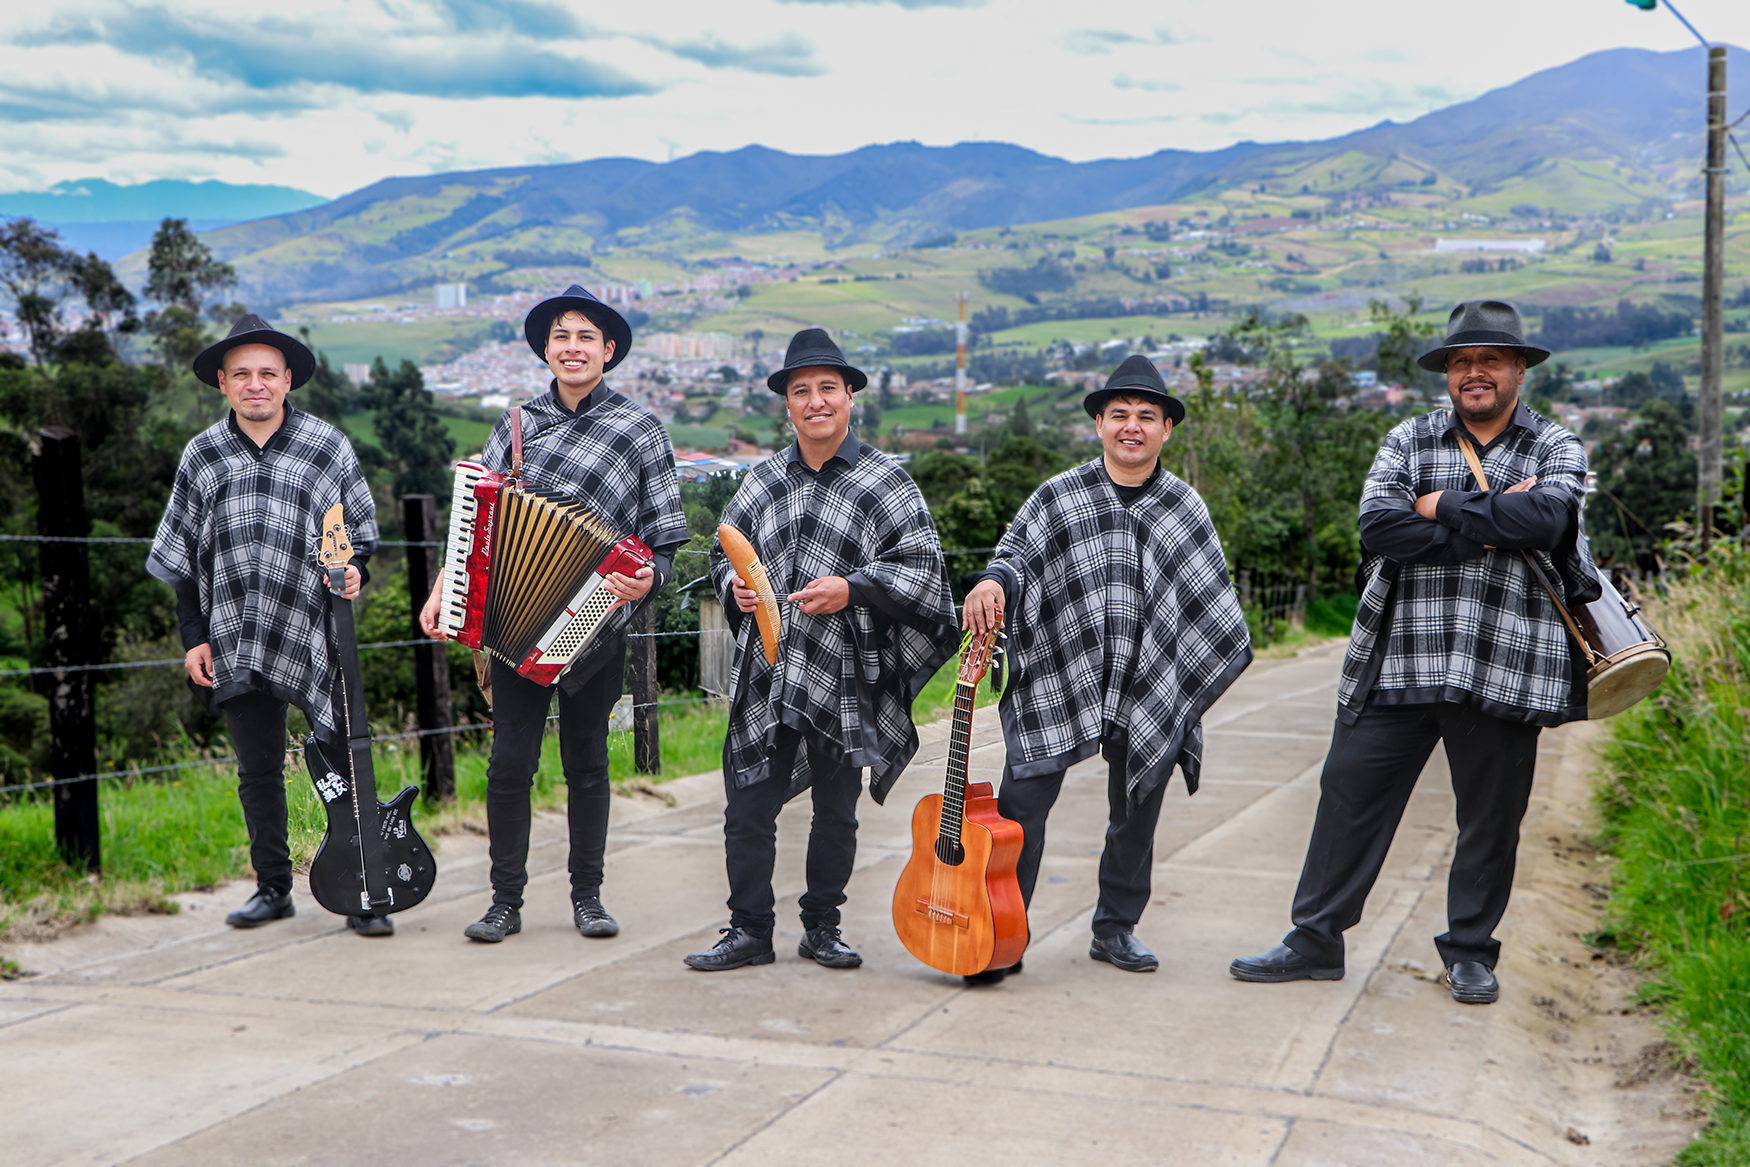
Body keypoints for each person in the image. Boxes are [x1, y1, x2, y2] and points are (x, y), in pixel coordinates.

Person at [1230, 300, 1600, 1005]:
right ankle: (1315, 939)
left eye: (1490, 359)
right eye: (1462, 361)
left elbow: (1549, 518)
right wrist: (1491, 525)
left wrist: (1435, 504)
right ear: (1447, 374)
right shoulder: (1409, 435)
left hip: (1504, 662)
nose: (1475, 373)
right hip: (1399, 658)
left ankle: (1469, 952)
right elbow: (1377, 526)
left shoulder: (1555, 444)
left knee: (1490, 819)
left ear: (1520, 368)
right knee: (1346, 792)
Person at [961, 355, 1252, 983]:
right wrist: (991, 582)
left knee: (1136, 813)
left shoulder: (1184, 507)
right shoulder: (1058, 497)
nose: (1132, 427)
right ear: (1098, 423)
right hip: (1060, 679)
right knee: (1018, 814)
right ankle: (998, 934)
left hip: (1149, 684)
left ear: (1166, 430)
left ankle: (1115, 928)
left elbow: (1210, 607)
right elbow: (1014, 556)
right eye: (1119, 414)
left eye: (1147, 416)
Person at [418, 285, 688, 944]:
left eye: (585, 337)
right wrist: (443, 586)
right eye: (562, 336)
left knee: (588, 762)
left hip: (598, 625)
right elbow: (473, 523)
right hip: (517, 626)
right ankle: (504, 900)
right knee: (510, 763)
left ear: (609, 350)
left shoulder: (638, 430)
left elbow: (662, 538)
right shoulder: (514, 426)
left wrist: (649, 577)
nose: (573, 347)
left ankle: (587, 897)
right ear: (546, 348)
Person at [685, 329, 956, 972]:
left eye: (826, 389)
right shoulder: (763, 479)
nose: (814, 402)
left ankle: (822, 928)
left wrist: (854, 588)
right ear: (787, 405)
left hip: (844, 670)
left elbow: (923, 571)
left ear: (850, 397)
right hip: (769, 671)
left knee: (836, 810)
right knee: (748, 804)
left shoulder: (884, 480)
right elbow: (729, 557)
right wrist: (738, 593)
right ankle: (749, 929)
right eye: (800, 392)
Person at [148, 316, 385, 936]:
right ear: (223, 384)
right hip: (230, 632)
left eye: (268, 374)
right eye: (243, 375)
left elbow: (356, 539)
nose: (256, 385)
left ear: (287, 382)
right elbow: (183, 559)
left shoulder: (326, 447)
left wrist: (353, 570)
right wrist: (192, 636)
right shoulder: (202, 455)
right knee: (256, 769)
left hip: (314, 628)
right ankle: (273, 888)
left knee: (341, 756)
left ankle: (364, 887)